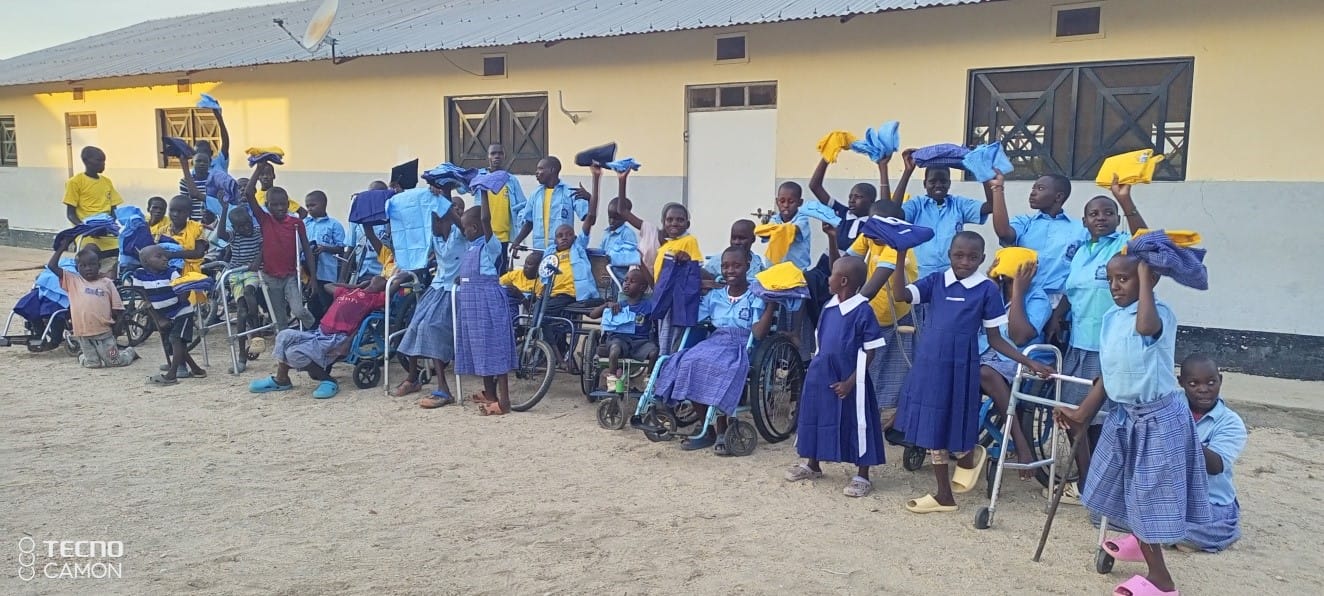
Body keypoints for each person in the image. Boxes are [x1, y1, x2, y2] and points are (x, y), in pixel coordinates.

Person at [1055, 254, 1211, 596]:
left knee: (1146, 494)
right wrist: (1081, 413)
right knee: (1117, 486)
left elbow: (1145, 328)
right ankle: (1139, 541)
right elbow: (1109, 374)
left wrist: (1145, 275)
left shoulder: (1159, 314)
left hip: (1158, 420)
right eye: (1110, 279)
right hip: (1125, 417)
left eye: (1124, 279)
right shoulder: (1111, 318)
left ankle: (1162, 582)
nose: (1115, 286)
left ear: (1149, 281)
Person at [891, 232, 1053, 513]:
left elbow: (996, 339)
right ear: (949, 255)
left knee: (949, 422)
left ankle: (948, 489)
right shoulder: (936, 281)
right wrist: (901, 254)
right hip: (930, 363)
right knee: (933, 423)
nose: (965, 262)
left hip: (960, 365)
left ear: (981, 259)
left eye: (972, 257)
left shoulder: (986, 290)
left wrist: (1029, 363)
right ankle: (950, 486)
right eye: (959, 255)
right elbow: (900, 295)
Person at [1045, 176, 1149, 501]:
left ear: (1117, 219)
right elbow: (1074, 290)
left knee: (1105, 419)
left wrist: (1126, 201)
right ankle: (1087, 479)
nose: (1101, 218)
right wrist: (1057, 315)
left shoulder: (1124, 245)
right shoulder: (1081, 251)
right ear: (1084, 221)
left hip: (1112, 346)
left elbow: (1147, 243)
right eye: (1094, 214)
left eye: (1108, 213)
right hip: (1080, 344)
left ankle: (1105, 482)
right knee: (1075, 415)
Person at [652, 246, 778, 455]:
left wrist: (770, 305)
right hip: (715, 340)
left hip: (740, 344)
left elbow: (758, 333)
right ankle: (706, 427)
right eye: (725, 266)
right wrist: (690, 283)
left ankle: (721, 429)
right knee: (686, 361)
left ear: (747, 266)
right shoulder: (715, 296)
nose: (730, 270)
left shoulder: (755, 296)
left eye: (736, 266)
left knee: (719, 367)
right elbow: (695, 317)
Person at [786, 256, 887, 497]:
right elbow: (821, 342)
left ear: (843, 281)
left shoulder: (863, 310)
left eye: (831, 274)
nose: (827, 279)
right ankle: (813, 464)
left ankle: (862, 475)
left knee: (859, 421)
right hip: (822, 374)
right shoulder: (829, 307)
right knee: (816, 415)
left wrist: (851, 382)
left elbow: (870, 351)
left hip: (852, 378)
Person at [248, 275, 389, 399]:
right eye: (375, 278)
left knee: (293, 353)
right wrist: (356, 286)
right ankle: (282, 378)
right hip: (319, 332)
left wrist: (398, 279)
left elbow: (392, 289)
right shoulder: (349, 292)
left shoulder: (374, 299)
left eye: (382, 281)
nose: (378, 279)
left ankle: (328, 380)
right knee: (284, 335)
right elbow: (328, 286)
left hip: (336, 338)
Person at [977, 251, 1053, 480]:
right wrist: (989, 285)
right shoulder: (995, 292)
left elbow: (1019, 337)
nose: (1008, 284)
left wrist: (1018, 292)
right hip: (986, 353)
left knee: (985, 374)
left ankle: (1021, 443)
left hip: (1019, 359)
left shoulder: (1038, 299)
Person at [392, 190, 468, 407]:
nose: (432, 224)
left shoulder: (461, 233)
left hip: (455, 290)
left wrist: (443, 195)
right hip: (437, 287)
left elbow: (453, 217)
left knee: (431, 327)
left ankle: (443, 389)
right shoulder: (434, 237)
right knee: (415, 324)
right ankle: (412, 378)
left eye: (436, 219)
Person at [848, 200, 918, 427]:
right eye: (872, 224)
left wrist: (847, 308)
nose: (874, 230)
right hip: (874, 313)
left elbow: (873, 286)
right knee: (873, 367)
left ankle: (898, 416)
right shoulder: (869, 234)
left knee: (898, 370)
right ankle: (871, 414)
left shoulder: (897, 247)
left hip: (897, 316)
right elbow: (847, 260)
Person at [890, 148, 993, 285]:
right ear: (925, 184)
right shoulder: (916, 205)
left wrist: (984, 173)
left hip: (952, 276)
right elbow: (893, 213)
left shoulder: (958, 204)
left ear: (949, 183)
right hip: (920, 275)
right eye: (932, 181)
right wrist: (907, 172)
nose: (938, 185)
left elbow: (990, 206)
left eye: (943, 181)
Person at [455, 198, 519, 416]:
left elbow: (485, 218)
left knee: (495, 346)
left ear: (474, 228)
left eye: (465, 228)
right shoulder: (471, 248)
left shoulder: (490, 245)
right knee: (480, 348)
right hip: (472, 303)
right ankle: (490, 394)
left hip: (487, 301)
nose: (463, 232)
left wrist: (483, 191)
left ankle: (504, 401)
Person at [1176, 354, 1246, 553]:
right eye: (1193, 383)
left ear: (1220, 380)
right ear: (1181, 383)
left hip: (1210, 500)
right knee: (1108, 512)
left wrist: (1182, 434)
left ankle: (1175, 535)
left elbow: (1215, 466)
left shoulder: (1230, 422)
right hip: (1172, 494)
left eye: (1211, 382)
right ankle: (1174, 535)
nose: (1203, 389)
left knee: (1213, 524)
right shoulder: (1171, 404)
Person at [243, 162, 316, 331]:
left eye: (283, 204)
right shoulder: (265, 220)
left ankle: (315, 333)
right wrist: (258, 169)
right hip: (271, 277)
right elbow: (248, 193)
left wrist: (313, 278)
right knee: (280, 318)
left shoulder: (296, 223)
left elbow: (306, 250)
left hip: (290, 275)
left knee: (299, 311)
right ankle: (284, 345)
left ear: (288, 204)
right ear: (267, 206)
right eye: (275, 205)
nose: (280, 208)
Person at [48, 239, 137, 368]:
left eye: (92, 264)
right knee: (93, 364)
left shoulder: (107, 283)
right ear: (77, 268)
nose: (88, 268)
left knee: (114, 361)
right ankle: (82, 356)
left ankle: (129, 352)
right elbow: (52, 266)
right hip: (83, 334)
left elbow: (118, 309)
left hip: (104, 333)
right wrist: (63, 247)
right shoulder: (73, 281)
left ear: (99, 265)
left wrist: (117, 327)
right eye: (83, 266)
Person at [989, 171, 1076, 299]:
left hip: (1061, 301)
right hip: (1023, 297)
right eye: (1033, 188)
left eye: (1040, 188)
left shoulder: (1080, 230)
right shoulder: (1023, 222)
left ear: (1058, 197)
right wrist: (997, 189)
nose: (1032, 193)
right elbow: (1003, 232)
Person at [129, 245, 205, 385]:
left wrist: (185, 289)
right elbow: (144, 299)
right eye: (159, 256)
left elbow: (182, 296)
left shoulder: (172, 273)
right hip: (163, 314)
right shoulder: (139, 275)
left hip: (182, 312)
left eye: (165, 255)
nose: (165, 258)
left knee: (175, 339)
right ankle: (197, 370)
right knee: (177, 344)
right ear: (145, 261)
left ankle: (172, 375)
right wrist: (158, 318)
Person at [510, 155, 591, 260]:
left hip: (562, 252)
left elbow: (587, 217)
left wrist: (590, 199)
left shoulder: (569, 192)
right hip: (540, 252)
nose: (536, 172)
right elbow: (529, 222)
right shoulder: (535, 194)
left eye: (540, 169)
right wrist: (517, 242)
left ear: (552, 170)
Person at [215, 203, 264, 373]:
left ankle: (256, 331)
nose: (246, 228)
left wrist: (257, 260)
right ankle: (242, 354)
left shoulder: (257, 232)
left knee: (250, 293)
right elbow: (220, 234)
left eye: (248, 224)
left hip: (251, 271)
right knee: (241, 312)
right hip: (236, 274)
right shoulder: (233, 235)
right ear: (235, 227)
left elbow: (264, 247)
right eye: (241, 227)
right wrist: (223, 209)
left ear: (251, 220)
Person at [589, 268, 657, 388]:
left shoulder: (648, 306)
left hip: (640, 342)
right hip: (620, 340)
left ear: (642, 287)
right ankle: (612, 379)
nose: (627, 283)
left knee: (654, 352)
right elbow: (593, 315)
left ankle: (649, 379)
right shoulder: (618, 305)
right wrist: (607, 305)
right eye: (625, 280)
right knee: (614, 349)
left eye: (632, 281)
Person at [808, 153, 892, 249]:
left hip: (856, 259)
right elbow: (815, 186)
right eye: (850, 197)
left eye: (858, 197)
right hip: (831, 258)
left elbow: (886, 207)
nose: (851, 201)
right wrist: (827, 156)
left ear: (871, 202)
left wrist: (883, 168)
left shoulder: (872, 222)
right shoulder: (841, 212)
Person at [62, 146, 123, 275]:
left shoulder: (107, 182)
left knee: (125, 250)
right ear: (86, 161)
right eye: (99, 160)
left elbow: (114, 210)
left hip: (107, 231)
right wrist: (86, 229)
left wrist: (110, 226)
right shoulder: (75, 182)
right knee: (90, 252)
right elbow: (71, 214)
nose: (103, 164)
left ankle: (112, 280)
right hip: (87, 233)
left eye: (104, 161)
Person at [475, 143, 527, 272]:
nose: (496, 156)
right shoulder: (479, 177)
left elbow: (522, 206)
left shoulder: (511, 180)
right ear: (488, 157)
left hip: (503, 237)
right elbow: (460, 186)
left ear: (504, 156)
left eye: (500, 153)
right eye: (493, 153)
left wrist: (518, 238)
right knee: (483, 270)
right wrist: (437, 185)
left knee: (500, 272)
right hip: (483, 235)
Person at [303, 190, 347, 321]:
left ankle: (327, 325)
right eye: (307, 206)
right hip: (307, 272)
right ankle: (314, 326)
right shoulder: (305, 223)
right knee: (312, 301)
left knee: (326, 302)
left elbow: (341, 248)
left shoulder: (334, 224)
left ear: (323, 204)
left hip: (327, 271)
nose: (309, 209)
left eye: (313, 205)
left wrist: (325, 248)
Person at [600, 169, 641, 283]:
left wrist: (612, 258)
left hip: (620, 279)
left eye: (616, 218)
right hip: (606, 276)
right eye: (610, 217)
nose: (612, 221)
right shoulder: (606, 233)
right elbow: (601, 251)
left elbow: (632, 257)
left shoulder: (627, 234)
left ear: (625, 218)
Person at [760, 181, 812, 269]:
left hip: (796, 270)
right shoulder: (774, 220)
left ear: (800, 202)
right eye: (782, 201)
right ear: (777, 202)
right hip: (774, 268)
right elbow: (766, 235)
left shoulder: (802, 219)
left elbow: (794, 230)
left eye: (791, 202)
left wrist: (775, 229)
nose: (786, 205)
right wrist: (764, 228)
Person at [702, 220, 767, 283]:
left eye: (742, 238)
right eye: (733, 238)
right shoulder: (717, 261)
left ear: (753, 239)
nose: (737, 242)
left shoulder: (757, 262)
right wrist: (719, 283)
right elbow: (703, 281)